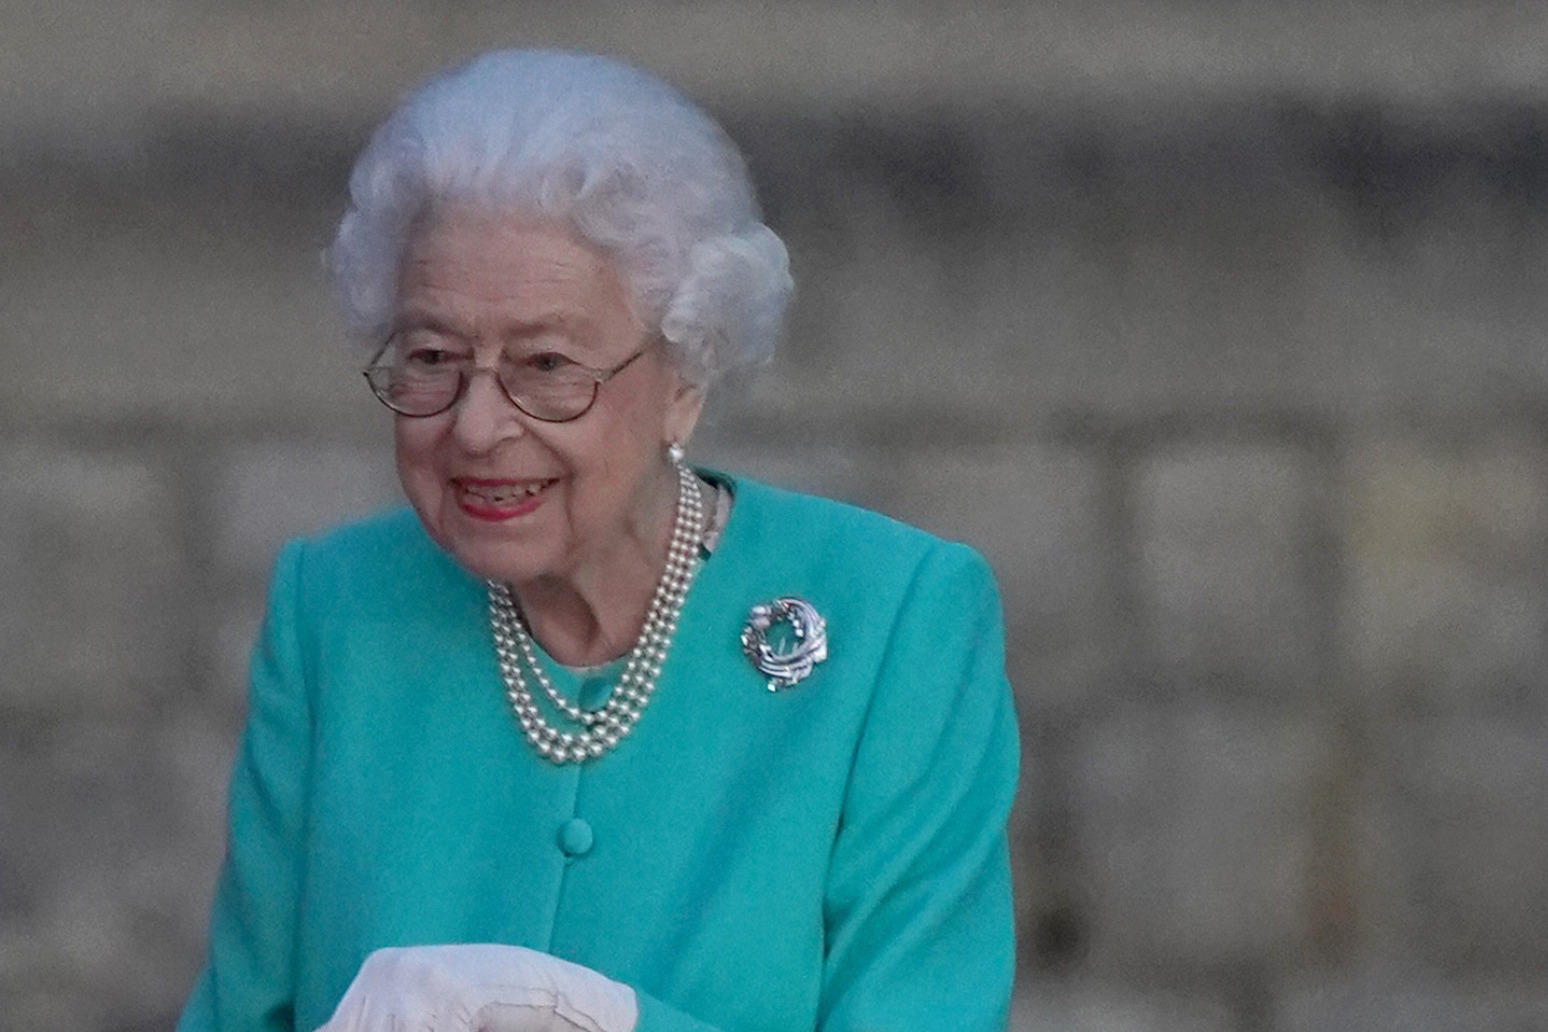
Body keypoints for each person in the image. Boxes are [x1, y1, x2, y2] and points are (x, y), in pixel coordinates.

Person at [178, 49, 1018, 1032]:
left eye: (546, 365)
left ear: (685, 376)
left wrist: (606, 1022)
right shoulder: (336, 611)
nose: (477, 426)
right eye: (433, 359)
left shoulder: (895, 622)